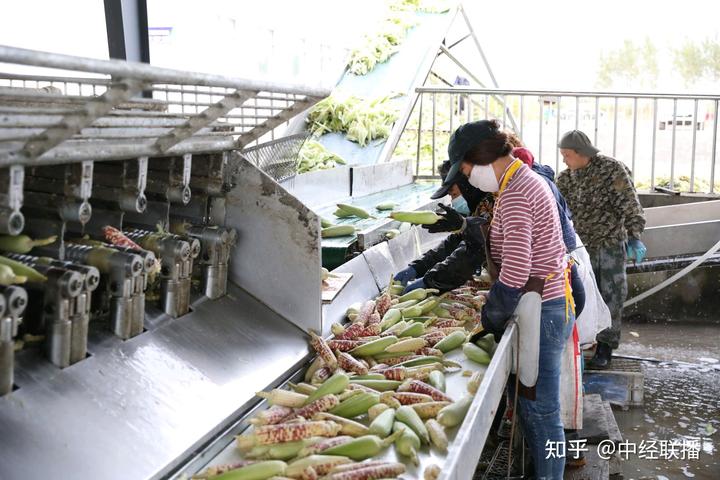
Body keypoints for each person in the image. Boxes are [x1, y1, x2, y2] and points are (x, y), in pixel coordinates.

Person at [447, 119, 575, 479]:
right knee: (534, 405)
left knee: (541, 409)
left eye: (467, 168)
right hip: (545, 303)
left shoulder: (518, 192)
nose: (468, 177)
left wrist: (490, 314)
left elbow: (517, 269)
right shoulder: (517, 182)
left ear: (482, 156)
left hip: (543, 308)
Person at [556, 130, 646, 369]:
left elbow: (629, 203)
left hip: (609, 244)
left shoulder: (611, 170)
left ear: (580, 152)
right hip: (579, 248)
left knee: (611, 295)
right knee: (579, 295)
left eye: (566, 154)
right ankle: (583, 342)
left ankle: (605, 346)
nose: (564, 160)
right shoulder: (565, 179)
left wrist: (635, 236)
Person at [393, 160, 492, 293]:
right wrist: (418, 267)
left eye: (454, 194)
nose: (453, 201)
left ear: (466, 184)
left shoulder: (490, 206)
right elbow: (453, 243)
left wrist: (430, 281)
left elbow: (470, 254)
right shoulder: (476, 207)